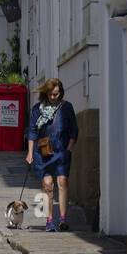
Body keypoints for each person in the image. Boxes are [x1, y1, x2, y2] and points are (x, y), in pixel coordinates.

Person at [26, 78, 78, 232]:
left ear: (60, 93)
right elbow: (32, 131)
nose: (53, 97)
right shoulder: (37, 109)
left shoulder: (66, 107)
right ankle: (49, 221)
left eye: (56, 94)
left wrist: (69, 148)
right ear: (46, 93)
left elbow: (74, 130)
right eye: (50, 94)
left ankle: (62, 220)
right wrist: (30, 153)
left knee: (62, 182)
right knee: (48, 184)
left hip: (61, 151)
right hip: (44, 152)